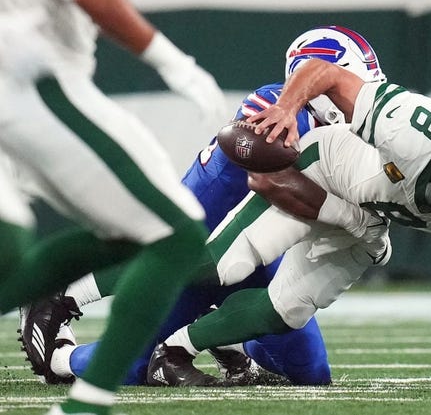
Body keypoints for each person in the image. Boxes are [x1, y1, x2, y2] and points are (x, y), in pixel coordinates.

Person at [147, 58, 431, 392]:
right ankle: (80, 289)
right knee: (219, 266)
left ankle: (178, 350)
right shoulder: (413, 124)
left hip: (368, 222)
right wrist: (286, 108)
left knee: (289, 310)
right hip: (328, 173)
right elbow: (325, 71)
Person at [21, 25, 388, 388]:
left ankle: (225, 337)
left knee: (311, 372)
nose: (358, 96)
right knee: (134, 365)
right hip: (194, 250)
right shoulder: (275, 108)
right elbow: (268, 174)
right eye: (348, 82)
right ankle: (61, 345)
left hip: (253, 256)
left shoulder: (347, 141)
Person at [0, 0, 226, 414]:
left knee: (21, 243)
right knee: (176, 238)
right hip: (37, 81)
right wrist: (173, 61)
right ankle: (88, 404)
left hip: (25, 77)